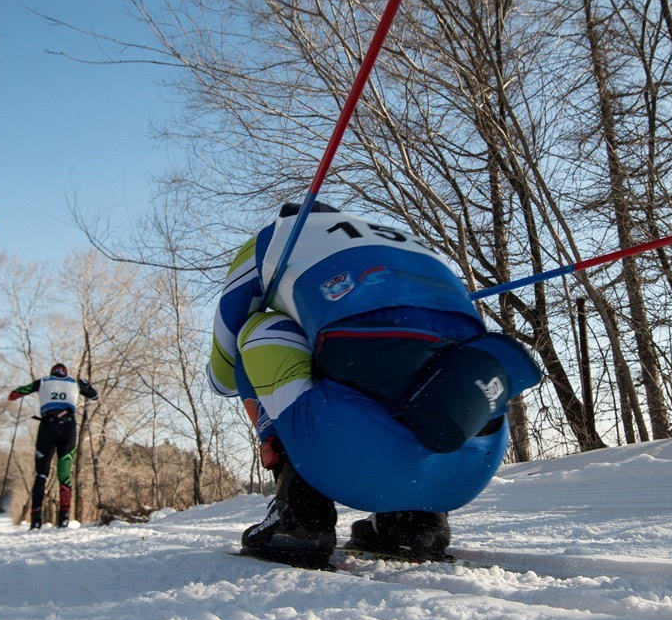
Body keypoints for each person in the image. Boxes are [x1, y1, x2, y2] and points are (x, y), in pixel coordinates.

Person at [208, 203, 541, 566]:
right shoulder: (412, 244)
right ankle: (414, 524)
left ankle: (300, 515)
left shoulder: (276, 239)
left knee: (258, 330)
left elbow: (223, 374)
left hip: (357, 459)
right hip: (468, 465)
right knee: (431, 348)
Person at [8, 363, 98, 529]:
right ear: (65, 373)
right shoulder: (75, 382)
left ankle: (36, 518)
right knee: (64, 474)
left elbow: (15, 394)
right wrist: (86, 386)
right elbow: (94, 396)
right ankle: (63, 517)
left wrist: (17, 394)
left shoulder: (42, 381)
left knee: (41, 475)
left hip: (47, 428)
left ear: (52, 372)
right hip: (68, 428)